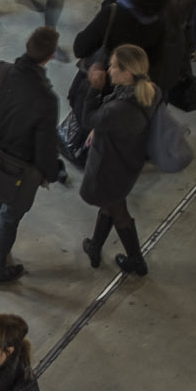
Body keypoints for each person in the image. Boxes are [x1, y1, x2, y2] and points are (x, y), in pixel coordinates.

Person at [0, 27, 64, 286]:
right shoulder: (46, 99)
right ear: (50, 56)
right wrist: (51, 173)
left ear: (26, 43)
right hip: (22, 168)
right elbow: (44, 148)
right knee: (9, 216)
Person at [77, 44, 158, 275]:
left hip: (109, 167)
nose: (109, 69)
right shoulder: (151, 90)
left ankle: (135, 260)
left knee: (117, 209)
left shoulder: (118, 109)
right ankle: (95, 246)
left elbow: (88, 118)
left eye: (113, 66)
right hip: (128, 161)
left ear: (126, 73)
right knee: (111, 204)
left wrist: (94, 89)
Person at [72, 0, 191, 92]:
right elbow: (153, 62)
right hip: (125, 95)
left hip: (97, 84)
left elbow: (80, 48)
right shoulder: (159, 27)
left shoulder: (113, 14)